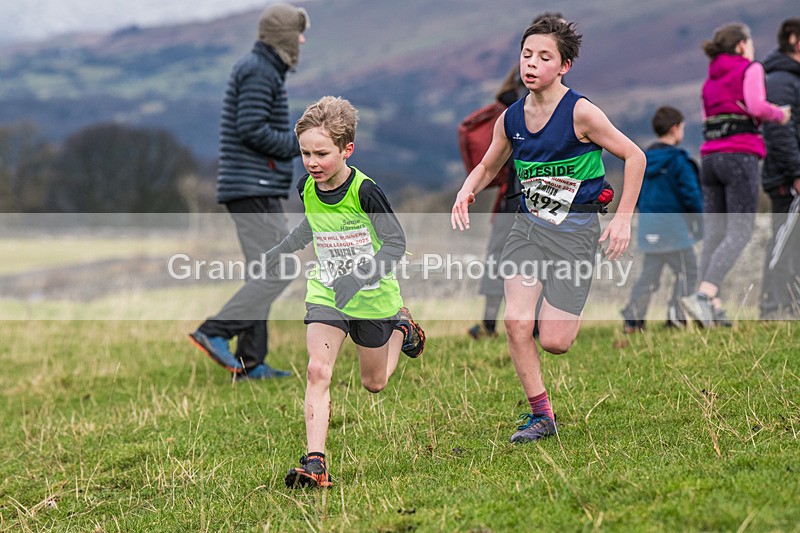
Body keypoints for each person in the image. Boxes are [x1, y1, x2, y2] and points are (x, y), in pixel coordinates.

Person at [451, 18, 645, 443]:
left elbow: (635, 157)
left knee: (556, 342)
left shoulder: (581, 113)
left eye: (544, 57)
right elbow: (489, 165)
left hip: (576, 234)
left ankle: (557, 306)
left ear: (564, 66)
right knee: (516, 322)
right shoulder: (511, 118)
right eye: (527, 55)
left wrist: (622, 219)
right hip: (527, 229)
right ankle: (542, 416)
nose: (531, 64)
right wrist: (467, 190)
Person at [273, 96, 426, 488]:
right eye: (305, 153)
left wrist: (357, 278)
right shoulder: (307, 187)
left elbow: (395, 244)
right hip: (327, 292)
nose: (312, 163)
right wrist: (283, 248)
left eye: (321, 154)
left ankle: (402, 327)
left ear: (347, 149)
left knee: (374, 383)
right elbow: (312, 225)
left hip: (372, 297)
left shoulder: (365, 192)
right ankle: (316, 463)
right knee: (317, 369)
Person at [188, 3, 309, 380]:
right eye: (298, 33)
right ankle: (214, 331)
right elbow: (252, 129)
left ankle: (250, 362)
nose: (302, 40)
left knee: (264, 271)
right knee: (280, 268)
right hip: (253, 186)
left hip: (253, 185)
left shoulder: (263, 68)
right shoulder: (259, 70)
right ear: (284, 36)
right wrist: (301, 144)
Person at [680, 22, 791, 328]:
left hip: (710, 158)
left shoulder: (710, 79)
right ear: (742, 45)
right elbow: (755, 106)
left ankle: (712, 307)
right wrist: (779, 114)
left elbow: (708, 117)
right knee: (741, 230)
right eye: (750, 42)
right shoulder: (750, 68)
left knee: (715, 232)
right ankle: (704, 295)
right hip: (740, 156)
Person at [621, 106, 703, 333]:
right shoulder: (678, 161)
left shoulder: (642, 159)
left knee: (649, 276)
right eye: (682, 127)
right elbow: (692, 197)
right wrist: (698, 225)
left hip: (649, 228)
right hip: (675, 230)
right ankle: (677, 317)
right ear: (675, 128)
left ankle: (633, 321)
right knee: (688, 271)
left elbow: (635, 194)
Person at [759, 18, 800, 320]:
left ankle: (789, 305)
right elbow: (779, 131)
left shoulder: (791, 79)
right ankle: (772, 308)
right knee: (784, 241)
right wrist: (797, 172)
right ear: (794, 39)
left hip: (791, 173)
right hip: (788, 178)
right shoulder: (780, 81)